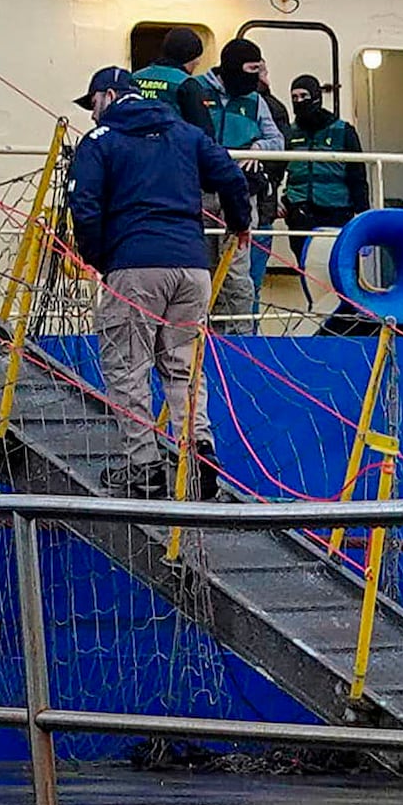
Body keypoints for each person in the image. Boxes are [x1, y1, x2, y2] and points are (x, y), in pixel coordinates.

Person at [60, 64, 245, 494]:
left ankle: (143, 467)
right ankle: (198, 450)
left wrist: (100, 260)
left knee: (127, 367)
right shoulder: (185, 133)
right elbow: (232, 177)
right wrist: (240, 225)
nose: (91, 114)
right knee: (184, 366)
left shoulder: (100, 141)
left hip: (134, 264)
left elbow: (83, 207)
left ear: (108, 95)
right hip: (192, 266)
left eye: (92, 103)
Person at [197, 37, 285, 324]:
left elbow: (277, 140)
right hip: (201, 190)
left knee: (236, 268)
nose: (255, 77)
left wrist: (258, 149)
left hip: (241, 191)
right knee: (203, 266)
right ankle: (205, 330)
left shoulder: (256, 100)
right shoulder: (196, 90)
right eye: (251, 69)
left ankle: (240, 332)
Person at [272, 73, 370, 310]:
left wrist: (362, 214)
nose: (299, 101)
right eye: (294, 97)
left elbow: (357, 175)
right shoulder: (289, 133)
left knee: (338, 268)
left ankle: (345, 315)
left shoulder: (343, 131)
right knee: (308, 269)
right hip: (300, 212)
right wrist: (275, 199)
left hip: (336, 212)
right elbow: (276, 169)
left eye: (304, 96)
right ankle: (315, 310)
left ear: (316, 97)